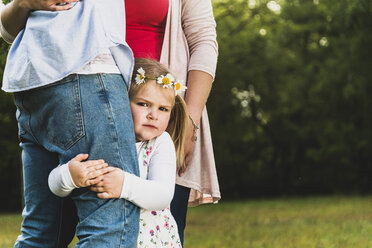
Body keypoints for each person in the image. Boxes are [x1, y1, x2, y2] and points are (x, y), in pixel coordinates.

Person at [0, 0, 141, 247]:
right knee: (109, 225)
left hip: (32, 84)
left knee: (42, 232)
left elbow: (8, 31)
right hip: (87, 73)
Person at [49, 58, 188, 247]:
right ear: (121, 102)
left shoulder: (160, 143)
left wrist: (124, 184)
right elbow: (53, 186)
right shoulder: (101, 138)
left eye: (163, 109)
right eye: (143, 104)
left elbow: (163, 195)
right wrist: (69, 176)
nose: (153, 115)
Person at [124, 0, 221, 243]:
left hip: (162, 116)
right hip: (96, 106)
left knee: (164, 223)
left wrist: (189, 119)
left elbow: (204, 41)